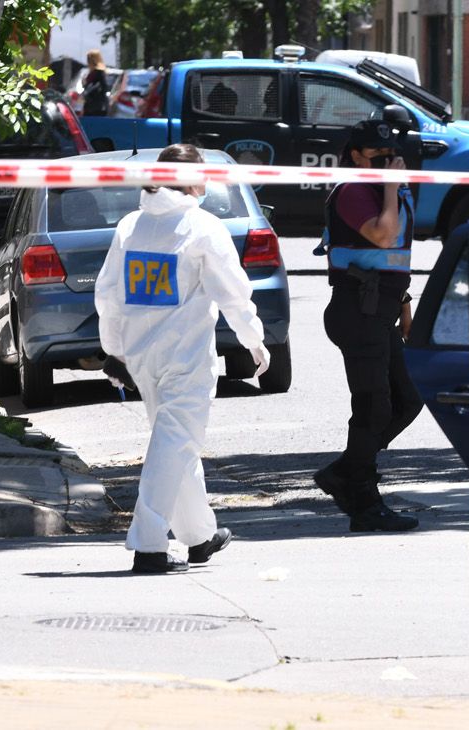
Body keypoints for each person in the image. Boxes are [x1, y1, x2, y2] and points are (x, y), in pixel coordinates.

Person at [94, 143, 271, 574]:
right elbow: (233, 291)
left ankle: (198, 536)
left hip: (141, 357)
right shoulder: (201, 227)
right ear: (191, 179)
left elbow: (109, 294)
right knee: (173, 444)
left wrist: (114, 350)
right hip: (186, 356)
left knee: (178, 444)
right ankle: (149, 544)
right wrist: (255, 340)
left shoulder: (131, 226)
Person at [313, 119, 422, 533]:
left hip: (381, 308)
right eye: (377, 155)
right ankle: (362, 499)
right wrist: (392, 187)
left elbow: (392, 257)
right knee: (374, 407)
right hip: (356, 311)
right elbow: (381, 235)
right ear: (356, 156)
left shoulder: (380, 189)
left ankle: (348, 470)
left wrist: (405, 303)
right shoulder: (354, 191)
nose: (388, 161)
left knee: (406, 400)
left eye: (393, 154)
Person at [81, 49, 110, 117]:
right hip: (95, 106)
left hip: (95, 106)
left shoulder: (98, 73)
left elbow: (103, 88)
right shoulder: (95, 73)